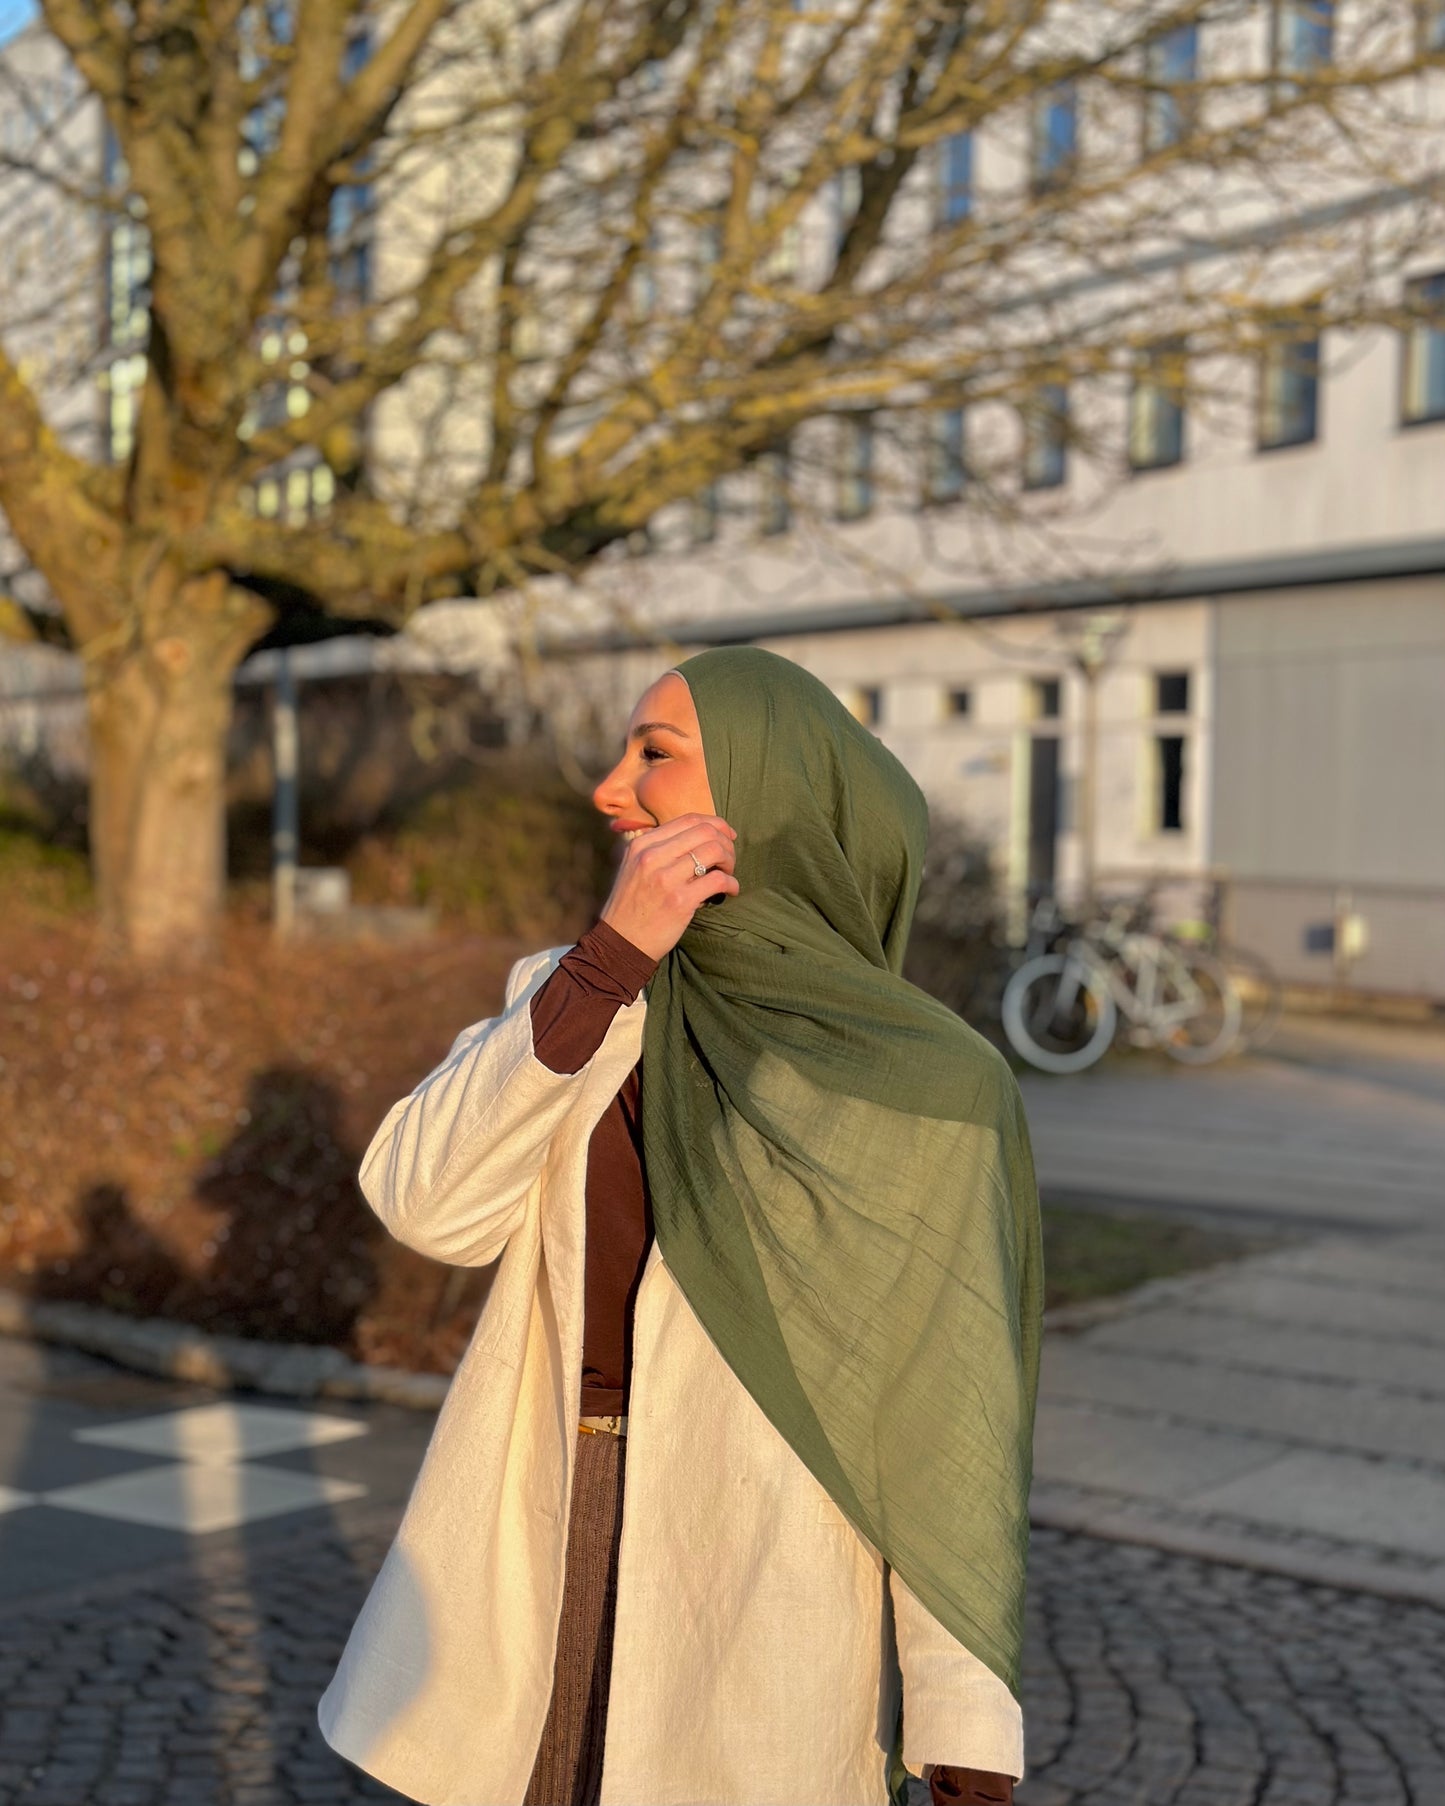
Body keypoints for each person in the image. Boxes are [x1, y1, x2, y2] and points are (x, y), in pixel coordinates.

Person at [318, 647, 1043, 1806]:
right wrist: (606, 967)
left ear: (766, 793)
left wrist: (961, 1724)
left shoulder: (921, 1084)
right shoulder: (572, 994)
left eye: (653, 754)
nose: (608, 788)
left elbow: (944, 1417)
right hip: (550, 1526)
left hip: (763, 1571)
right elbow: (426, 1206)